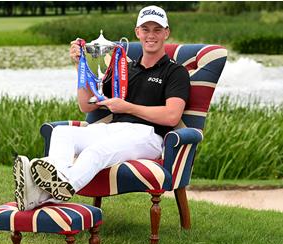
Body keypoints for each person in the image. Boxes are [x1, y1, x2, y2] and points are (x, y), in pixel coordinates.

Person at [13, 5, 190, 211]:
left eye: (157, 30)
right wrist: (80, 66)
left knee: (95, 152)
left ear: (166, 33)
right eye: (146, 29)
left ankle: (48, 192)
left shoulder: (176, 71)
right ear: (137, 32)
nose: (151, 35)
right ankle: (48, 190)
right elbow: (86, 104)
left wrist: (127, 107)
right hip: (115, 130)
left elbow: (172, 116)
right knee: (62, 133)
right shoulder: (123, 67)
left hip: (149, 136)